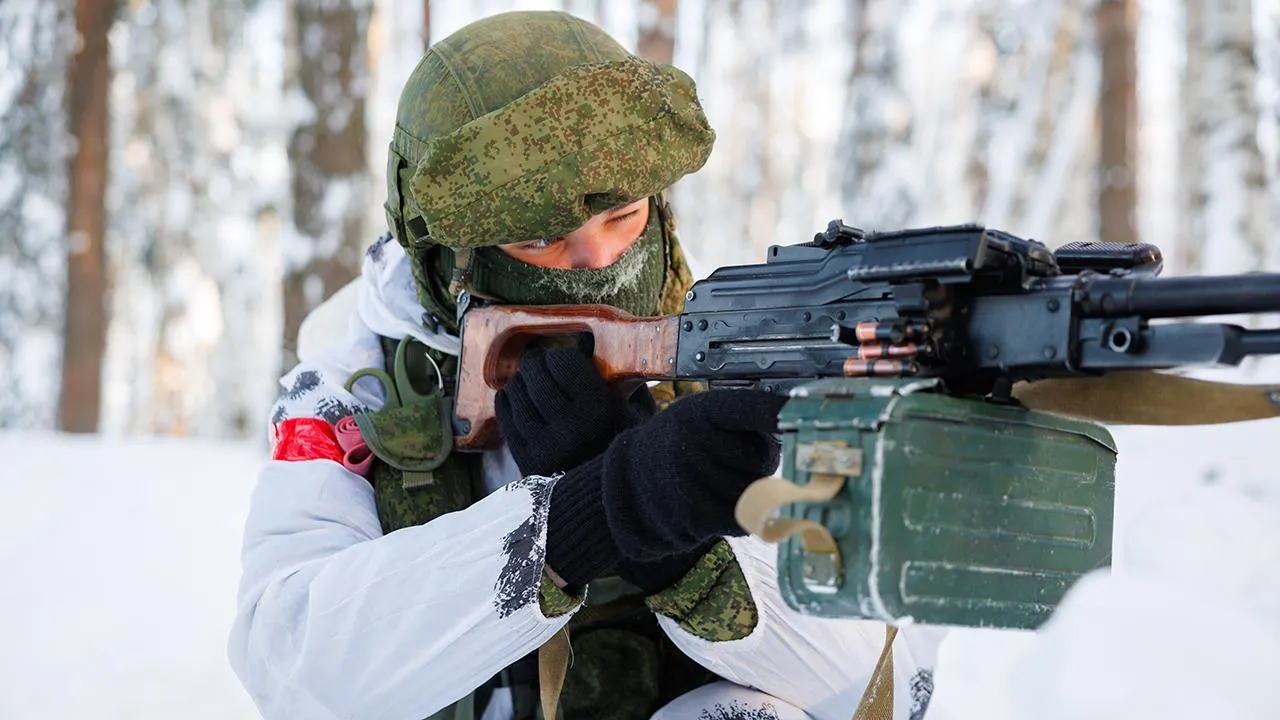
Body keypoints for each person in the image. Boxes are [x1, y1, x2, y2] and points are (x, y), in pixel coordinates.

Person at [228, 11, 944, 720]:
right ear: (448, 252)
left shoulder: (739, 353)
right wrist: (578, 521)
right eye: (540, 235)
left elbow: (885, 691)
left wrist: (686, 551)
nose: (597, 262)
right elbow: (292, 672)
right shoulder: (355, 391)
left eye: (624, 213)